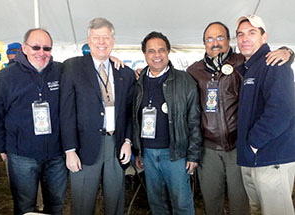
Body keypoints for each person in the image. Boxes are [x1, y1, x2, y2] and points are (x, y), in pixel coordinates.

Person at [187, 22, 293, 215]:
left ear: (229, 40)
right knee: (213, 202)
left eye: (220, 37)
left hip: (239, 146)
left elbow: (270, 64)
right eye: (209, 39)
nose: (215, 43)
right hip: (208, 149)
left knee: (242, 204)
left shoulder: (243, 63)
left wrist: (288, 52)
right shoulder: (194, 71)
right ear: (203, 43)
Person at [60, 17, 135, 215]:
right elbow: (66, 112)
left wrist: (128, 140)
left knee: (115, 200)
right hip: (84, 146)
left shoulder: (124, 73)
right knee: (83, 202)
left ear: (113, 41)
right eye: (97, 37)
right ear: (89, 40)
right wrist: (69, 150)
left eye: (106, 37)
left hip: (116, 144)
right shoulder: (72, 67)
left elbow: (128, 111)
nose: (102, 42)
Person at [0, 28, 67, 215]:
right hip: (21, 156)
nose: (41, 52)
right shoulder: (4, 78)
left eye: (46, 48)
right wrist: (2, 147)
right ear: (24, 48)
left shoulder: (61, 71)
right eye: (36, 47)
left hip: (56, 155)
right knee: (25, 207)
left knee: (56, 206)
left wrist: (112, 60)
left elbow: (88, 69)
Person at [133, 31, 202, 215]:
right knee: (157, 205)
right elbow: (135, 119)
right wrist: (137, 151)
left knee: (182, 205)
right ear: (145, 54)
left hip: (175, 155)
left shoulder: (184, 80)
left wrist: (193, 155)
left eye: (161, 50)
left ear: (168, 52)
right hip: (147, 154)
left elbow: (194, 119)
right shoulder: (138, 82)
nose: (157, 55)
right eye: (151, 51)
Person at [236, 15, 295, 215]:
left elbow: (282, 111)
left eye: (252, 33)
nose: (245, 38)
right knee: (258, 210)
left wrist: (254, 143)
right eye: (241, 34)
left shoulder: (275, 64)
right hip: (254, 158)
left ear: (264, 37)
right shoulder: (249, 68)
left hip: (271, 158)